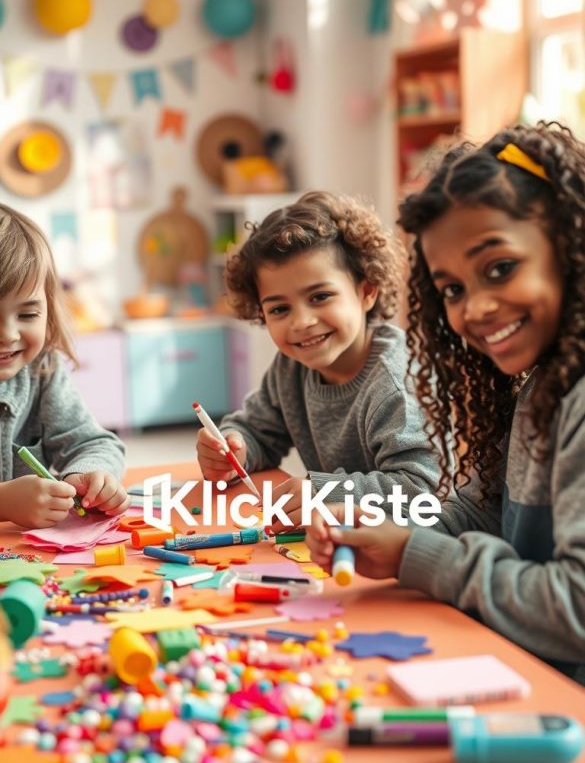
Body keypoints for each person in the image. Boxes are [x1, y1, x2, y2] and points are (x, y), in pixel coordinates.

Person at [307, 122, 585, 684]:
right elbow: (481, 513)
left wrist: (415, 554)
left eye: (500, 269)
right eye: (453, 289)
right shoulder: (539, 387)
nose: (475, 308)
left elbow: (576, 608)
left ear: (569, 247)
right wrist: (387, 523)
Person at [196, 190, 441, 530]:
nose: (301, 322)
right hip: (343, 546)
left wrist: (324, 493)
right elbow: (258, 430)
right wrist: (235, 449)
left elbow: (421, 491)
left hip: (413, 549)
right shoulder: (291, 368)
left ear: (367, 291)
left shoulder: (393, 383)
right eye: (280, 309)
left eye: (320, 296)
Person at [0, 205, 129, 528]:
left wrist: (88, 475)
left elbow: (93, 442)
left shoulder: (42, 370)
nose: (8, 335)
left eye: (28, 315)